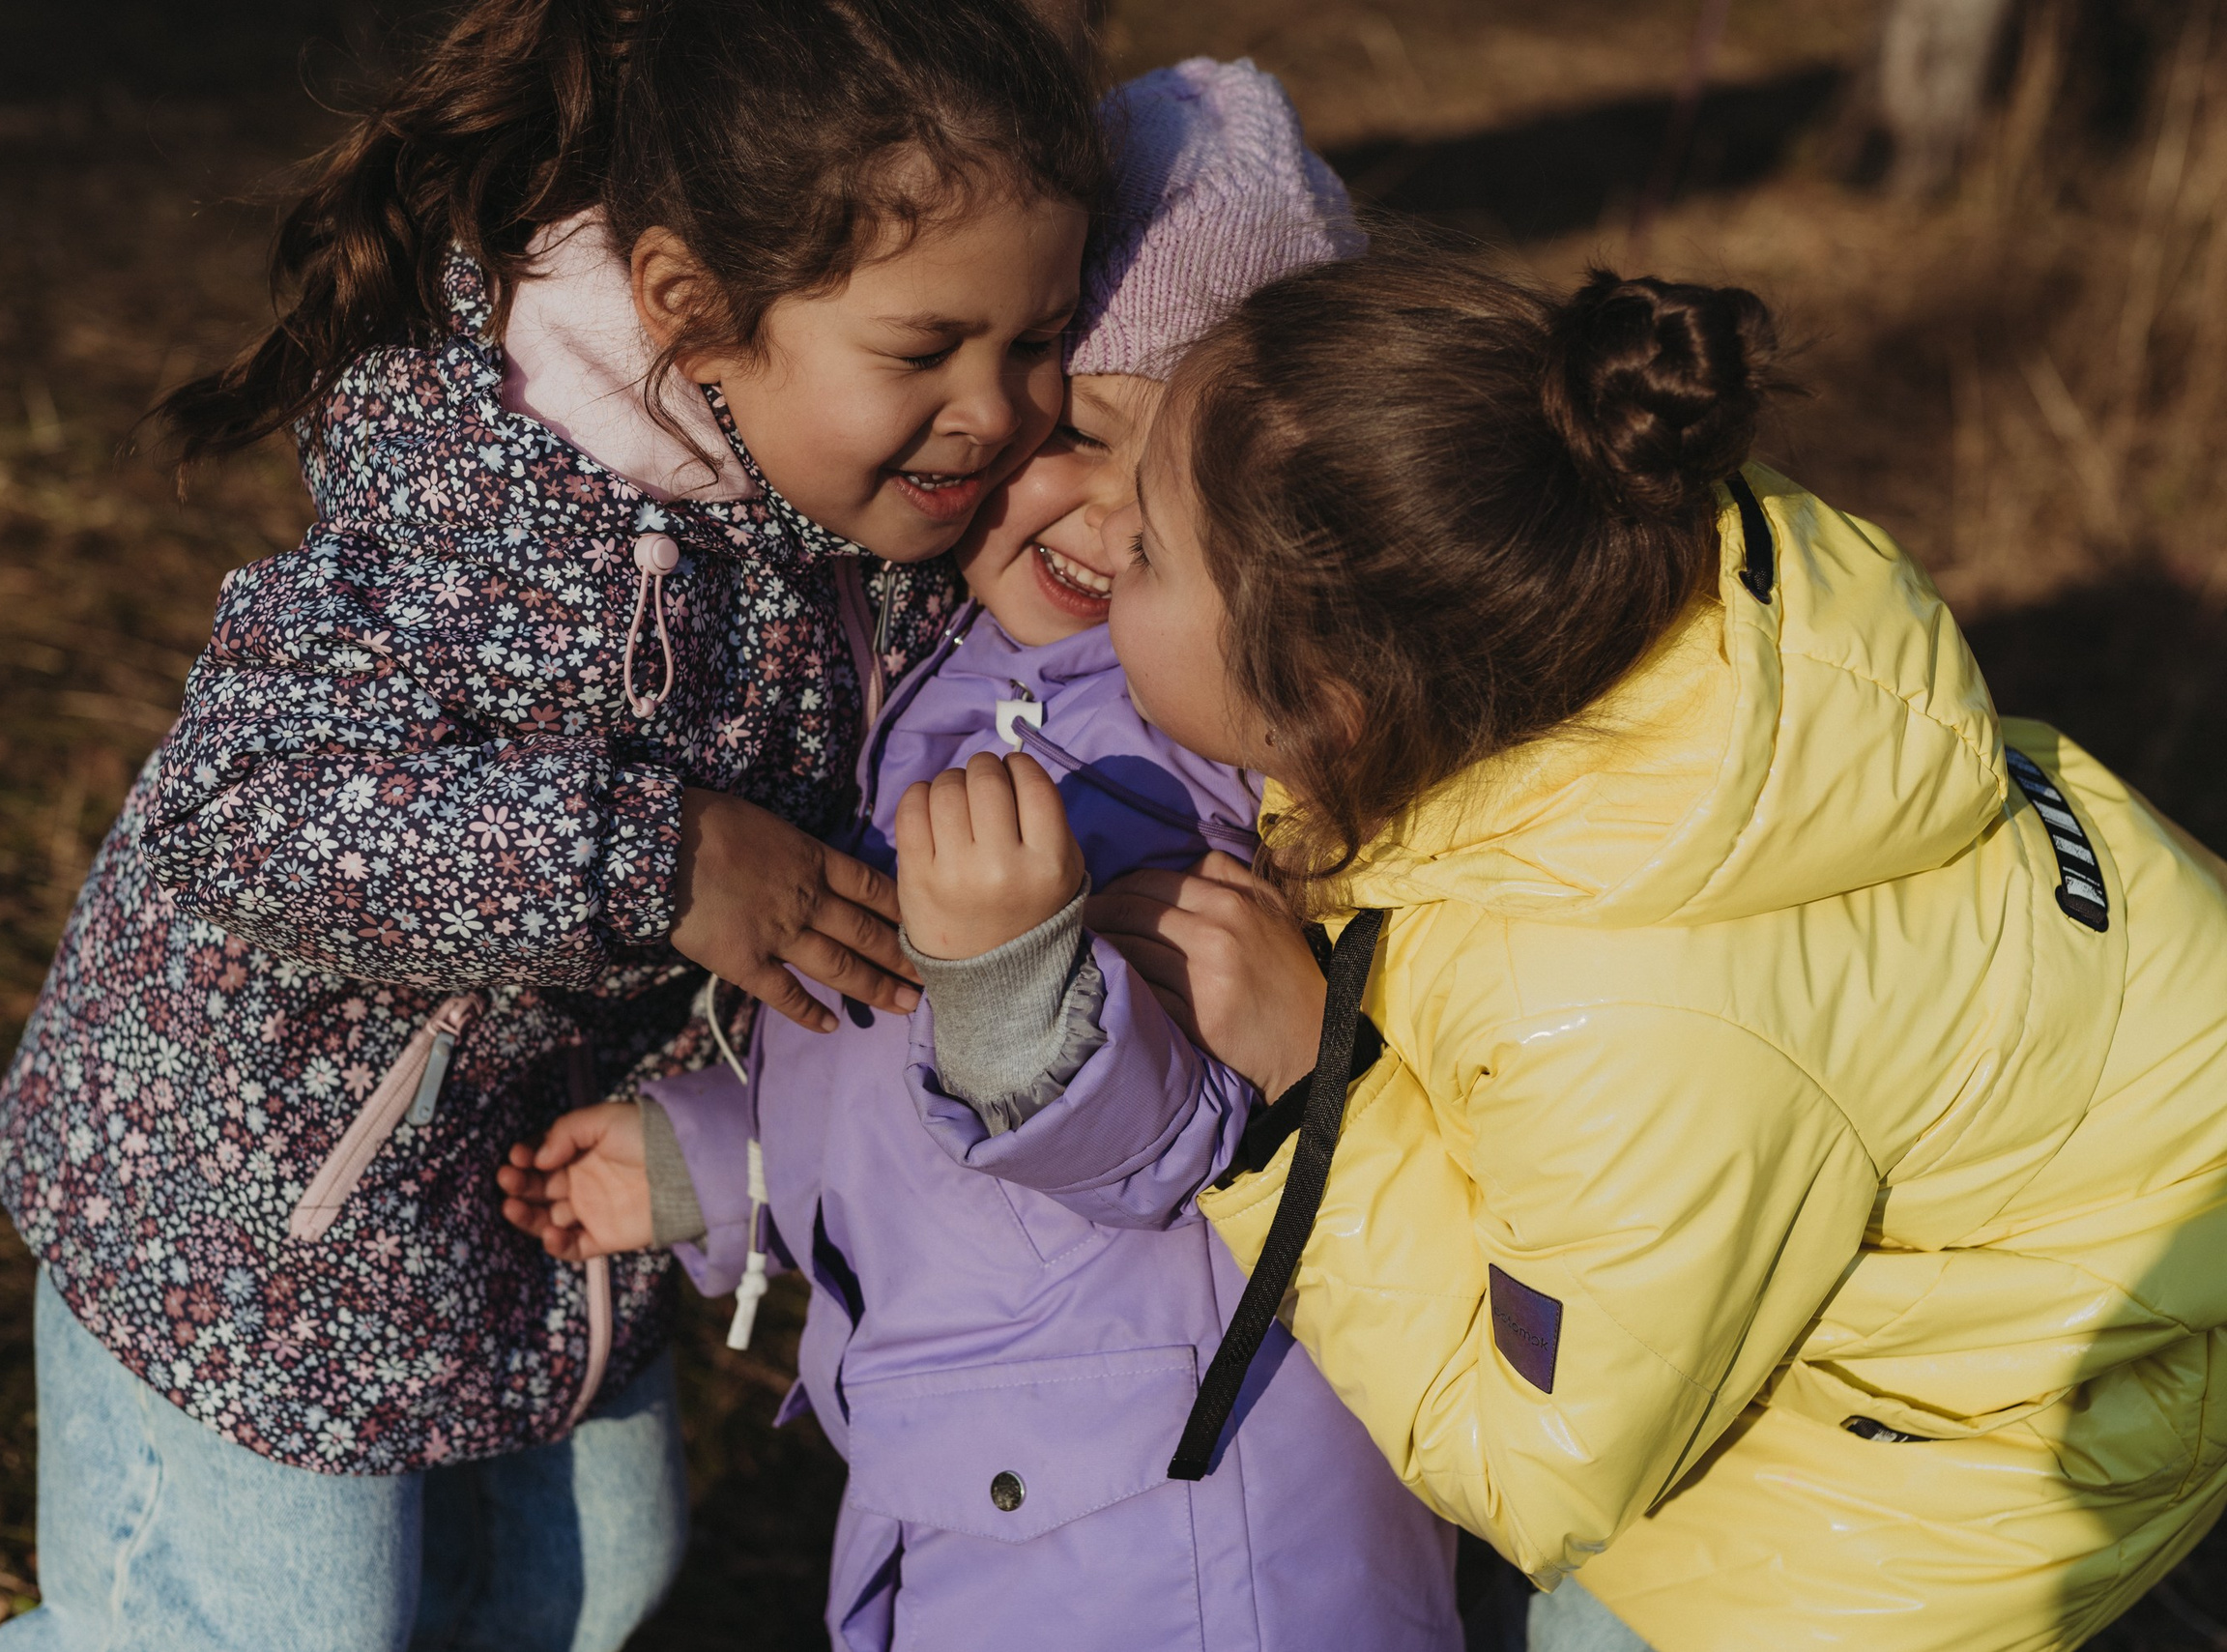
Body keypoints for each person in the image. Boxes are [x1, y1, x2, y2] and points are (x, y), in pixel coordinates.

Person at [904, 246, 2227, 1652]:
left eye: (1155, 544)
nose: (1103, 535)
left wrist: (1310, 1091)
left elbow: (1530, 1464)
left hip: (1980, 1445)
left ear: (1330, 701)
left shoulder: (1613, 1015)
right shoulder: (1618, 570)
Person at [0, 2, 1102, 1646]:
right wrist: (656, 857)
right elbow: (239, 811)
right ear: (690, 309)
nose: (997, 409)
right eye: (925, 350)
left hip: (527, 1214)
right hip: (258, 1210)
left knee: (582, 1594)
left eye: (1038, 340)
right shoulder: (491, 496)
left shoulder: (840, 511)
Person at [501, 61, 1463, 1652]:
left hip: (1189, 1536)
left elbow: (1179, 1144)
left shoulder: (1193, 739)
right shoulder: (960, 676)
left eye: (1183, 502)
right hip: (1021, 1486)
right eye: (1076, 426)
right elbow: (908, 1074)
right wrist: (715, 1153)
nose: (1105, 517)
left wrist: (1017, 984)